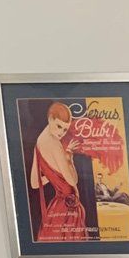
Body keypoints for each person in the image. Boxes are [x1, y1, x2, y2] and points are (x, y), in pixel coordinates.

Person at [29, 101, 87, 242]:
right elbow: (73, 181)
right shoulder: (55, 144)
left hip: (58, 207)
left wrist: (52, 175)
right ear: (50, 119)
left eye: (65, 129)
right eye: (59, 126)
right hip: (68, 207)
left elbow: (35, 183)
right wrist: (69, 158)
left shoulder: (39, 142)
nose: (61, 133)